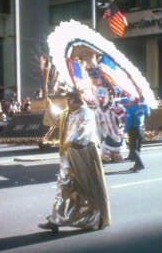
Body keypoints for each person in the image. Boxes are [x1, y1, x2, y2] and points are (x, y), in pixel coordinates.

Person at [38, 89, 111, 233]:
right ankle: (56, 219)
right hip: (67, 155)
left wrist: (71, 141)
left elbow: (85, 131)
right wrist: (50, 106)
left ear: (78, 101)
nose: (67, 104)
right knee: (64, 187)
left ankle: (94, 218)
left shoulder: (87, 114)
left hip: (83, 154)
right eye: (67, 101)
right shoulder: (67, 113)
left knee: (86, 187)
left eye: (70, 101)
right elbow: (57, 118)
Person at [123, 96, 150, 172]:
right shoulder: (142, 107)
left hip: (133, 129)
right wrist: (146, 106)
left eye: (128, 101)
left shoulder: (130, 110)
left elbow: (128, 122)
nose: (127, 103)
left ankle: (140, 164)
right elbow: (148, 114)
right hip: (141, 129)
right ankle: (136, 165)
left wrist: (124, 131)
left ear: (132, 102)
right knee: (138, 148)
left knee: (133, 148)